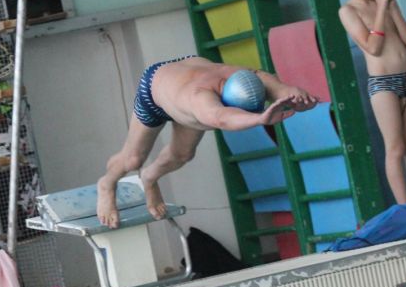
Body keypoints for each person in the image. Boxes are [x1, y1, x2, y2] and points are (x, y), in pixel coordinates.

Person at [97, 56, 317, 228]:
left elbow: (264, 78)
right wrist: (260, 118)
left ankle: (149, 178)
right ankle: (107, 184)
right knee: (133, 159)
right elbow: (221, 118)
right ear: (224, 101)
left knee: (183, 154)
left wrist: (291, 93)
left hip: (185, 78)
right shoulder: (201, 98)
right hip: (154, 92)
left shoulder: (239, 76)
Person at [338, 0, 406, 205]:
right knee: (396, 148)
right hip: (383, 84)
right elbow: (373, 47)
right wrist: (380, 10)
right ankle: (405, 209)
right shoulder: (348, 11)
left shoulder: (386, 3)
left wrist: (392, 8)